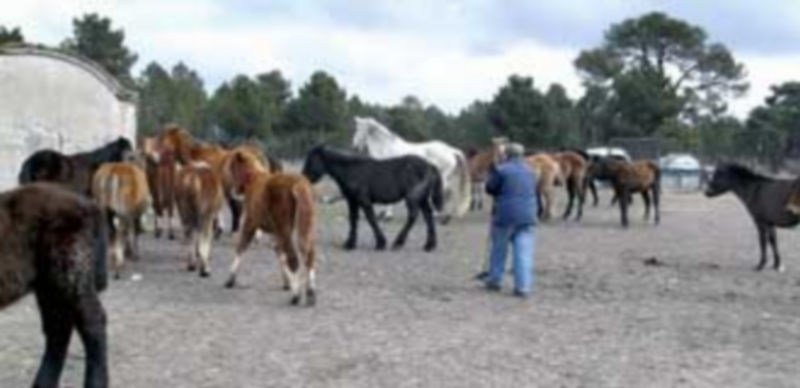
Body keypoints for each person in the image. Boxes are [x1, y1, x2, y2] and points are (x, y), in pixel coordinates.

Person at [482, 142, 538, 298]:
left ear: (506, 154)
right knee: (524, 252)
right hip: (527, 215)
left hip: (504, 215)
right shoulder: (532, 171)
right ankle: (523, 286)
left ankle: (495, 279)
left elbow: (490, 189)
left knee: (499, 249)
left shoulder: (502, 170)